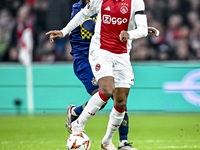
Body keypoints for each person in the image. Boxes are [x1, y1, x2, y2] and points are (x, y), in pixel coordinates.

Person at [46, 0, 158, 149]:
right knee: (105, 91)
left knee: (121, 101)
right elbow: (85, 18)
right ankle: (78, 124)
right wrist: (64, 31)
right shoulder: (93, 4)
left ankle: (112, 142)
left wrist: (134, 30)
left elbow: (136, 27)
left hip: (122, 54)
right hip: (96, 53)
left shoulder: (135, 3)